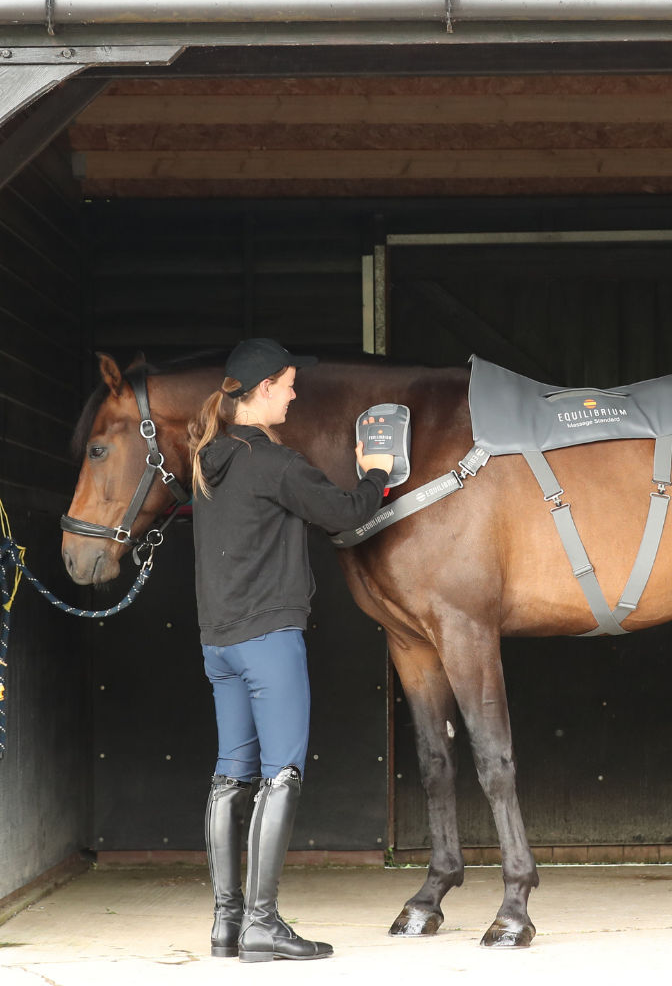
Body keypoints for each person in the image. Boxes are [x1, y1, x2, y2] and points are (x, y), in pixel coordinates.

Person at [188, 338, 393, 963]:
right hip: (269, 642)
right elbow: (347, 514)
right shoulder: (273, 464)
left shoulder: (209, 460)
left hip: (219, 644)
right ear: (263, 390)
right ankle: (263, 923)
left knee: (231, 775)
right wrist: (377, 468)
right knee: (282, 773)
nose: (296, 394)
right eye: (288, 384)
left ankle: (227, 925)